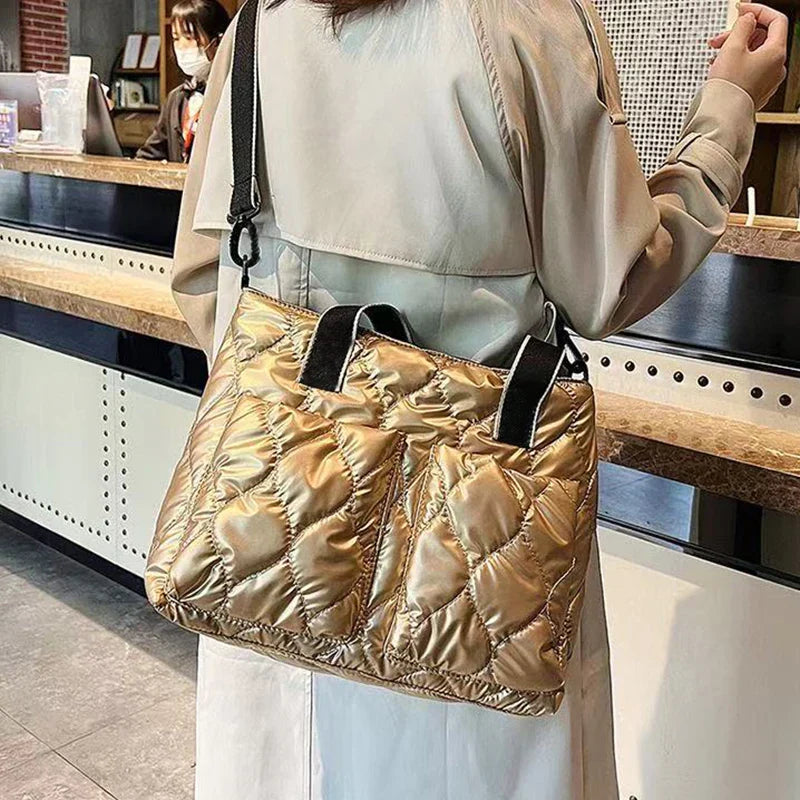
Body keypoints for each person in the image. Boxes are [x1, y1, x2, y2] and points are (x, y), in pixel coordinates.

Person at [171, 0, 786, 797]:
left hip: (273, 551)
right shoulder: (527, 19)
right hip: (468, 558)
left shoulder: (260, 24)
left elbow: (204, 278)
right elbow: (611, 281)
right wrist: (729, 108)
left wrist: (313, 408)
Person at [136, 0, 230, 162]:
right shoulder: (177, 97)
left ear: (218, 41)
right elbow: (153, 152)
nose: (181, 47)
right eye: (176, 38)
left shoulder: (230, 94)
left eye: (189, 37)